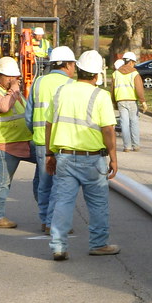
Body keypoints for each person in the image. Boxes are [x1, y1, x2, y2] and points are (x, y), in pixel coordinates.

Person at [45, 50, 119, 261]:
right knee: (97, 204)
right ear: (97, 75)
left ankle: (58, 246)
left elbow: (49, 125)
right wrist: (113, 157)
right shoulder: (100, 96)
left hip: (65, 157)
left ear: (77, 69)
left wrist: (49, 153)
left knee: (63, 202)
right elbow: (108, 130)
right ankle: (98, 243)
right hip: (92, 159)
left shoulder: (61, 92)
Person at [25, 45, 76, 232]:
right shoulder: (71, 85)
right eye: (73, 65)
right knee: (60, 185)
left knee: (44, 182)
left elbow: (29, 115)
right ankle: (56, 221)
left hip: (40, 140)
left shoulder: (39, 82)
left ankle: (45, 221)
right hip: (63, 142)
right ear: (68, 65)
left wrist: (35, 133)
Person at [0, 57, 32, 229]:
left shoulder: (16, 94)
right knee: (3, 182)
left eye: (15, 78)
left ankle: (47, 215)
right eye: (9, 77)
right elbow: (4, 107)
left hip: (25, 142)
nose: (13, 81)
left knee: (46, 167)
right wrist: (13, 90)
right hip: (6, 146)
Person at [112, 51, 147, 152]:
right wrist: (143, 101)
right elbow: (139, 88)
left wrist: (114, 102)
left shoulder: (115, 74)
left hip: (120, 100)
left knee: (124, 123)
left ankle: (126, 146)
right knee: (134, 122)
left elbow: (112, 89)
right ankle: (135, 145)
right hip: (132, 100)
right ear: (131, 62)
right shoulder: (134, 73)